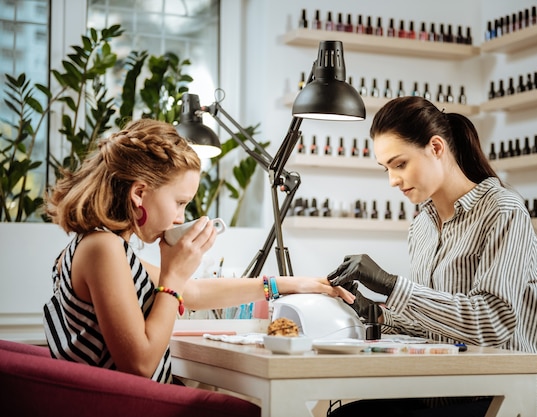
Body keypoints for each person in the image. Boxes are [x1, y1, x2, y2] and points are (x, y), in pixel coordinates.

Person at [43, 119, 350, 390]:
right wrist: (173, 275)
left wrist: (288, 284)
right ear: (139, 193)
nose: (180, 217)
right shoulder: (103, 248)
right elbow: (140, 364)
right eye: (180, 202)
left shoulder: (106, 246)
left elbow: (194, 292)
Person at [326, 97, 537, 417]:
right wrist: (377, 313)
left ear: (436, 148)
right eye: (386, 168)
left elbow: (492, 321)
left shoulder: (503, 211)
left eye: (400, 164)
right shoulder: (422, 227)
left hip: (512, 398)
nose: (392, 180)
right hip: (446, 391)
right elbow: (438, 325)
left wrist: (392, 285)